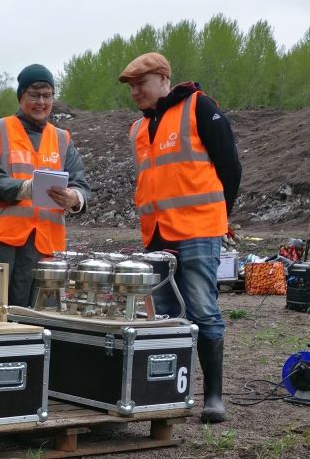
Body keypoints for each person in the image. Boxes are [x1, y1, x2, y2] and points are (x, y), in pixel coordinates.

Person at [118, 52, 241, 424]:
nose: (136, 91)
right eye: (131, 86)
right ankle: (169, 392)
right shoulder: (138, 129)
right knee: (168, 315)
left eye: (141, 83)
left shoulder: (199, 108)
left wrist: (219, 216)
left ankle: (213, 398)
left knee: (203, 310)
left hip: (199, 230)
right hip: (156, 234)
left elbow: (230, 166)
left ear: (162, 78)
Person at [0, 64, 92, 308]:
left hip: (45, 248)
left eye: (47, 95)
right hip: (0, 243)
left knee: (39, 320)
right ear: (21, 97)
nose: (41, 102)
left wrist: (75, 198)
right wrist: (25, 188)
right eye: (34, 94)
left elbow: (80, 182)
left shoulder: (62, 139)